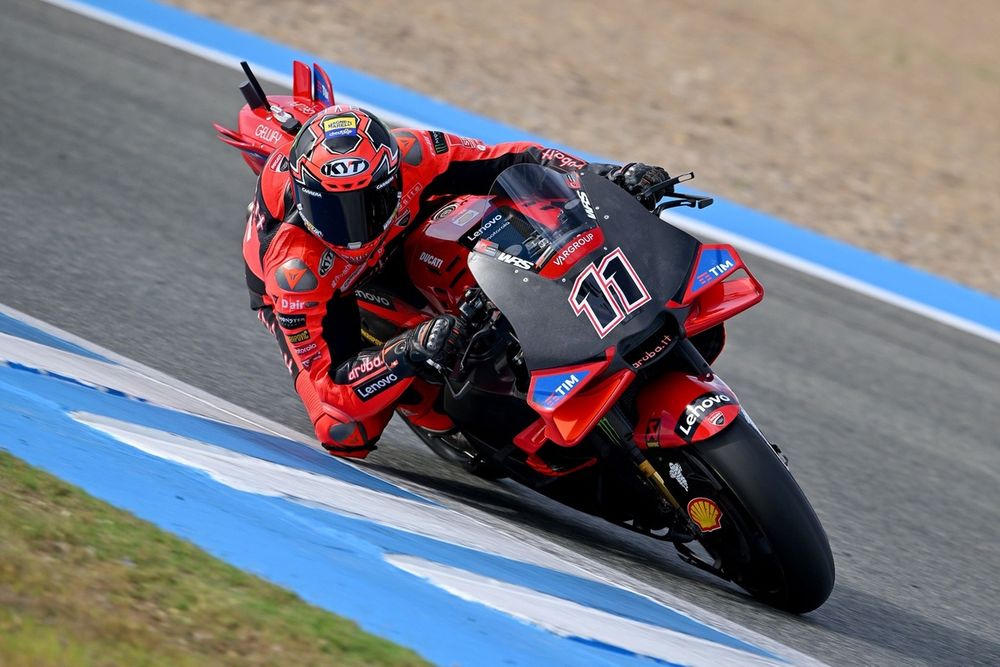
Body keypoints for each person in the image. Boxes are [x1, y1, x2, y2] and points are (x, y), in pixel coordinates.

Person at [242, 105, 670, 458]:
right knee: (345, 432)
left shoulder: (413, 153)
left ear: (391, 177)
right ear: (305, 198)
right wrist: (405, 353)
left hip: (404, 232)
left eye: (367, 201)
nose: (354, 225)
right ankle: (443, 416)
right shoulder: (292, 272)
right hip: (333, 288)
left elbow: (515, 159)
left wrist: (603, 176)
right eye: (335, 209)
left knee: (498, 210)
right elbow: (331, 389)